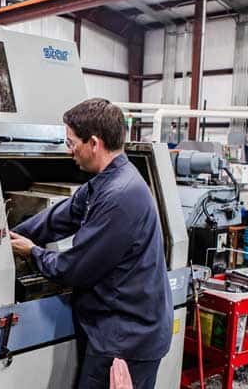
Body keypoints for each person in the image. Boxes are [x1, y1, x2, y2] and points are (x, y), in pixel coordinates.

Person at [9, 98, 172, 389]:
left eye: (72, 143)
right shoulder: (107, 181)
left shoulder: (120, 196)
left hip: (126, 341)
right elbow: (62, 215)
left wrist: (31, 252)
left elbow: (74, 268)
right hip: (116, 328)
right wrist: (7, 234)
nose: (69, 151)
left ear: (94, 143)